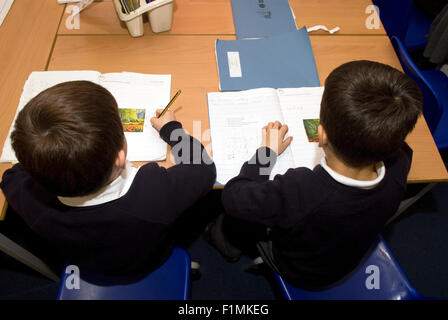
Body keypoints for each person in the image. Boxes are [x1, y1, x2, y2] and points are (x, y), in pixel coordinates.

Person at [206, 60, 422, 289]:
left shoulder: (299, 190)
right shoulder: (399, 168)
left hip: (299, 270)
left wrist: (266, 153)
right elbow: (404, 150)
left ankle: (225, 244)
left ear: (322, 135)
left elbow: (233, 197)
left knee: (230, 219)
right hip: (343, 260)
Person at [0, 81, 216, 276]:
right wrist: (171, 129)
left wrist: (43, 159)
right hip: (149, 261)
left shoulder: (30, 199)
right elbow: (203, 169)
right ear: (119, 158)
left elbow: (10, 176)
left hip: (90, 266)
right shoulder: (155, 191)